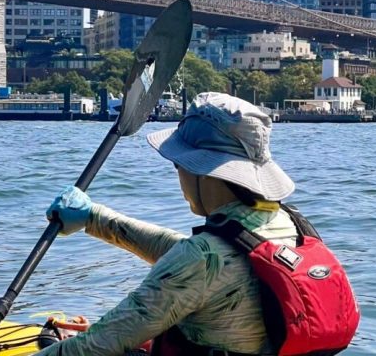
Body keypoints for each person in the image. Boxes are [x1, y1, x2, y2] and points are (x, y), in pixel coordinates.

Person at [35, 92, 356, 356]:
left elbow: (96, 346)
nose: (178, 175)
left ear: (202, 171)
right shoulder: (293, 225)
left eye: (178, 165)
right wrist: (93, 218)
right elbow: (190, 255)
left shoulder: (201, 260)